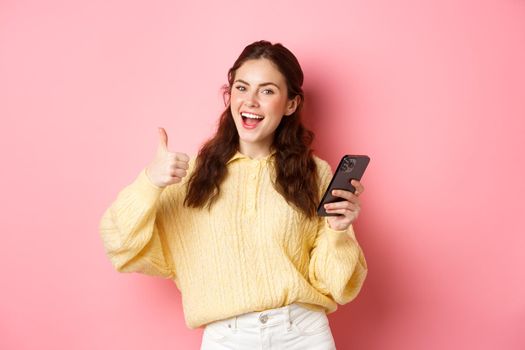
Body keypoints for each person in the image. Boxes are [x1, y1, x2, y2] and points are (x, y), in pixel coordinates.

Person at [99, 40, 368, 350]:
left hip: (303, 334)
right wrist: (149, 182)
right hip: (228, 338)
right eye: (242, 88)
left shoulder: (315, 174)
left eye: (267, 91)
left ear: (291, 104)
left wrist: (338, 233)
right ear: (230, 96)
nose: (251, 101)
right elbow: (119, 245)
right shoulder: (191, 177)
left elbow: (336, 286)